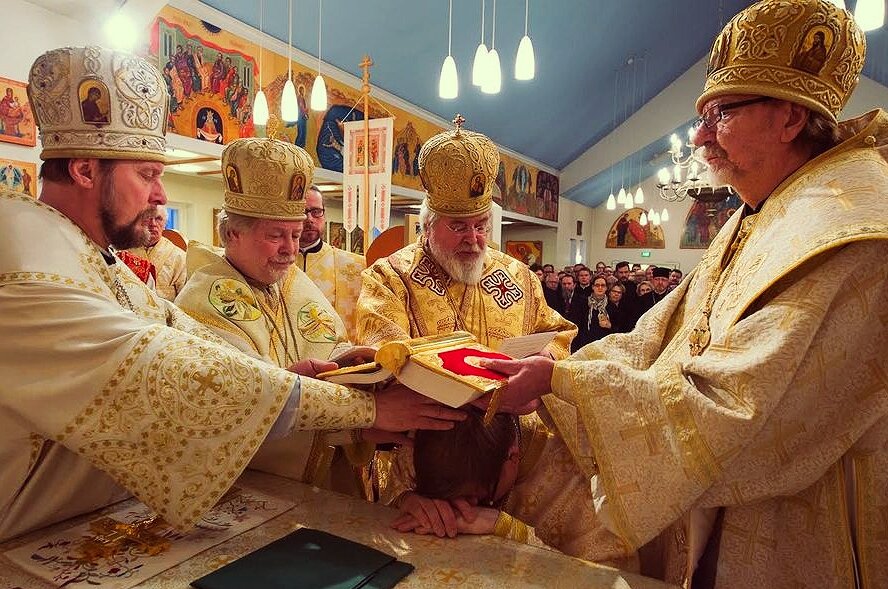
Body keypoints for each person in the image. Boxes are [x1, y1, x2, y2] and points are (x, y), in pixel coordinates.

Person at [478, 2, 888, 586]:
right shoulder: (758, 213)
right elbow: (657, 339)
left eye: (721, 113)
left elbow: (741, 412)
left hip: (792, 531)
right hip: (710, 515)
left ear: (791, 118)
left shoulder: (848, 233)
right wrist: (555, 368)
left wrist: (564, 382)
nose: (698, 135)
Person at [0, 46, 463, 543]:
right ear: (85, 170)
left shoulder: (94, 256)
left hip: (82, 527)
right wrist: (364, 412)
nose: (160, 197)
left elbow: (189, 337)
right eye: (147, 175)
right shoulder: (26, 263)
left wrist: (294, 378)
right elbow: (173, 372)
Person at [355, 115, 575, 509]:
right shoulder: (390, 278)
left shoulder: (517, 276)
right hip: (423, 466)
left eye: (481, 226)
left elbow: (556, 333)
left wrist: (543, 366)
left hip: (514, 460)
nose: (474, 241)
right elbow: (383, 359)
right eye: (459, 227)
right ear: (428, 225)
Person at [176, 138, 376, 494]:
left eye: (296, 235)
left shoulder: (291, 280)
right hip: (259, 486)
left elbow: (332, 344)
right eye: (275, 236)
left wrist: (355, 364)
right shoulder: (202, 299)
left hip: (325, 473)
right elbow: (241, 404)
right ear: (233, 232)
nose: (290, 250)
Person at [392, 408, 636, 570]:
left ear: (512, 456)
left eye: (476, 498)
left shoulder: (578, 467)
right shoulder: (433, 428)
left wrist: (510, 530)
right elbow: (393, 487)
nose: (462, 509)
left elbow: (605, 577)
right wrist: (407, 499)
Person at [296, 185, 366, 339]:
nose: (309, 219)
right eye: (301, 212)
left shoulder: (356, 265)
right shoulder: (274, 264)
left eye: (316, 212)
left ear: (324, 214)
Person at [126, 204, 186, 301]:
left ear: (164, 224)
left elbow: (184, 299)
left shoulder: (179, 257)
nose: (153, 223)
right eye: (148, 218)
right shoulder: (124, 251)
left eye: (158, 219)